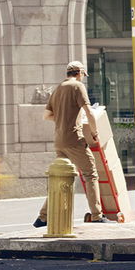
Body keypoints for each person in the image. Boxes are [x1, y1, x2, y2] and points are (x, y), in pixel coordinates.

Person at [34, 61, 110, 227]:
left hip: (59, 141)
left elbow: (46, 116)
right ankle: (97, 215)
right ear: (80, 73)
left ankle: (43, 217)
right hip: (74, 139)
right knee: (91, 174)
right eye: (83, 75)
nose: (83, 78)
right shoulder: (77, 87)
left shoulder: (58, 88)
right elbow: (89, 111)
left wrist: (63, 118)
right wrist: (94, 133)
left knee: (61, 178)